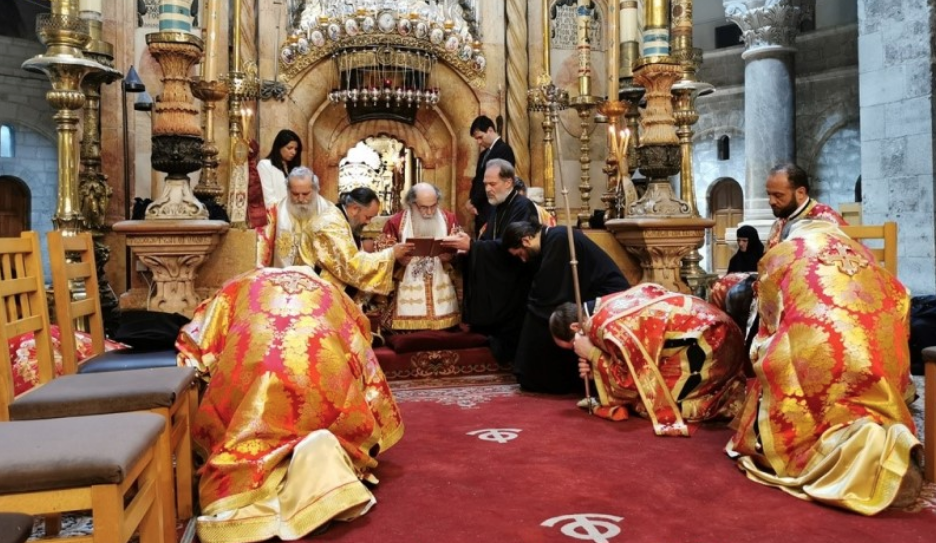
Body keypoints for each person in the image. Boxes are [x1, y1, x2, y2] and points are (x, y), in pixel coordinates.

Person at [176, 266, 404, 543]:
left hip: (255, 382)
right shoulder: (332, 292)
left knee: (243, 435)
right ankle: (320, 470)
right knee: (332, 418)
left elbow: (195, 342)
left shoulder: (237, 285)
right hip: (321, 375)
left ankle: (271, 477)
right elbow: (362, 346)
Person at [726, 219, 922, 515]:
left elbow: (767, 321)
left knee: (777, 352)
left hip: (821, 362)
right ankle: (884, 434)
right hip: (880, 367)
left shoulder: (782, 254)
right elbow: (902, 298)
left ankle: (846, 449)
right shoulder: (862, 252)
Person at [550, 283, 748, 434]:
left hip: (715, 343)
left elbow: (631, 384)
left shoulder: (605, 326)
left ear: (576, 327)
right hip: (725, 330)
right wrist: (596, 370)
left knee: (646, 403)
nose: (576, 351)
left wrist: (592, 355)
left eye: (573, 346)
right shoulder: (609, 302)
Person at [502, 221, 631, 394]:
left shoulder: (559, 239)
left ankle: (553, 380)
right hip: (590, 297)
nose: (523, 259)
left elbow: (550, 293)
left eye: (521, 254)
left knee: (545, 317)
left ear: (526, 241)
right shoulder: (553, 238)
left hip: (608, 300)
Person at [257, 166, 411, 299]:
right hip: (312, 293)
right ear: (354, 209)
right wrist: (391, 254)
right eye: (367, 217)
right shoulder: (331, 224)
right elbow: (351, 266)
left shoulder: (337, 216)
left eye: (306, 194)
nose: (368, 222)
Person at [443, 159, 538, 363]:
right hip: (500, 277)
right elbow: (488, 240)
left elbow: (515, 245)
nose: (487, 189)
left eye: (492, 184)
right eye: (485, 184)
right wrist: (468, 248)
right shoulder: (498, 207)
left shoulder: (523, 206)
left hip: (515, 278)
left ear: (508, 182)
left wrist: (474, 246)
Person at [381, 182, 461, 331]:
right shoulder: (396, 223)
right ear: (411, 204)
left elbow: (461, 250)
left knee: (446, 334)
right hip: (407, 285)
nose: (429, 212)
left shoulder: (449, 219)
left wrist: (450, 257)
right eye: (423, 207)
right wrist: (398, 259)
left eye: (433, 206)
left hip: (441, 283)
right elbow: (382, 256)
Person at [765, 162, 846, 248]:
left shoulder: (827, 220)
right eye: (769, 194)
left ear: (800, 193)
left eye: (778, 195)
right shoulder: (779, 222)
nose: (771, 201)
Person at [467, 115, 515, 237]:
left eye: (480, 137)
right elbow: (478, 179)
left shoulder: (504, 150)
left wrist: (474, 201)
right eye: (476, 139)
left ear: (490, 130)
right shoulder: (484, 154)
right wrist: (472, 201)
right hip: (481, 210)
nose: (479, 142)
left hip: (493, 208)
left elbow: (495, 181)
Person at [257, 129, 303, 207]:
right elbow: (269, 201)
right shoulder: (265, 165)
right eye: (289, 148)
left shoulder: (295, 168)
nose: (293, 152)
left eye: (295, 149)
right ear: (279, 147)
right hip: (277, 212)